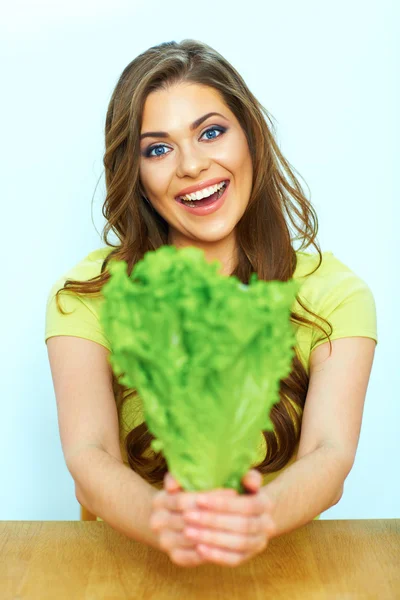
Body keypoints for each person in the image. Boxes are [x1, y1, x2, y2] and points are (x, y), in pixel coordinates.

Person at [45, 39, 378, 568]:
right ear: (137, 176)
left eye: (211, 132)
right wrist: (165, 519)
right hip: (127, 573)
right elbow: (91, 455)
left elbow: (329, 454)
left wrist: (256, 517)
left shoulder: (334, 294)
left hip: (280, 573)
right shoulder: (87, 294)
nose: (192, 165)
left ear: (250, 137)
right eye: (158, 148)